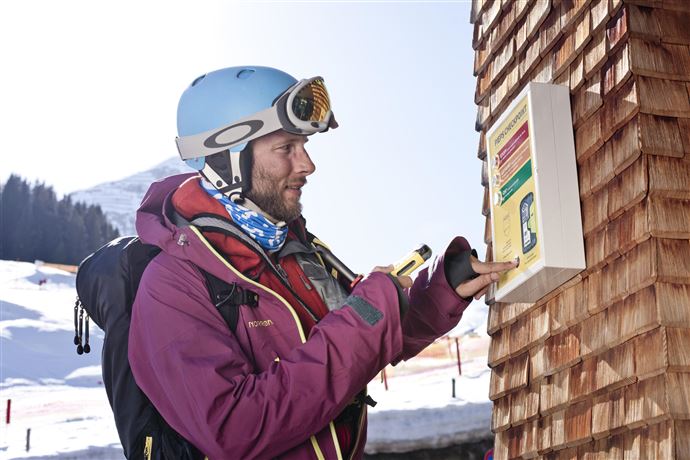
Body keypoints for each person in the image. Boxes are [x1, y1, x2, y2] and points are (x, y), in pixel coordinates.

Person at [128, 66, 516, 460]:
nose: (307, 164)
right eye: (286, 149)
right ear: (227, 159)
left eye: (304, 145)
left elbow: (370, 338)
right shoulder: (172, 284)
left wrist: (443, 289)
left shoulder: (294, 252)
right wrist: (368, 307)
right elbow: (234, 427)